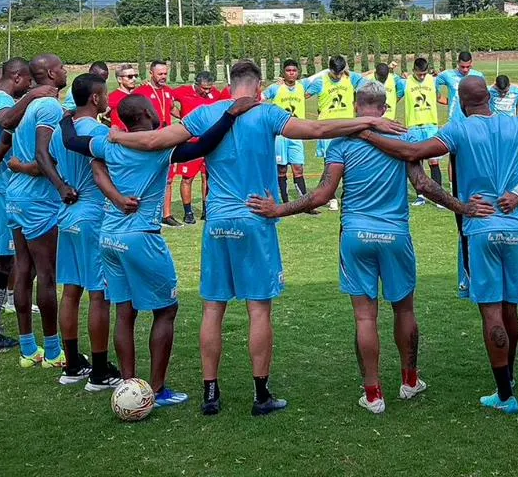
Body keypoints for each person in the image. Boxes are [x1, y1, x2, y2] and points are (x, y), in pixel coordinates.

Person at [108, 59, 406, 417]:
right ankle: (260, 395)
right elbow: (314, 129)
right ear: (259, 83)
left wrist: (117, 135)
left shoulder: (207, 113)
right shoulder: (268, 114)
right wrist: (369, 120)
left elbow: (156, 139)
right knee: (258, 308)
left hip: (217, 221)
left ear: (230, 84)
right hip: (255, 217)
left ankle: (211, 394)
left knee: (213, 308)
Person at [247, 81, 493, 414]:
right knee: (404, 310)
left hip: (355, 237)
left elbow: (323, 194)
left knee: (365, 318)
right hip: (395, 236)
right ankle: (409, 380)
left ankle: (374, 393)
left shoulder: (342, 142)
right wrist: (461, 207)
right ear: (385, 106)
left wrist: (279, 210)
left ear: (354, 103)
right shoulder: (403, 138)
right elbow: (423, 184)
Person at [60, 93, 259, 405]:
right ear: (145, 113)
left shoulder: (109, 142)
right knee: (165, 310)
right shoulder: (158, 148)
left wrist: (65, 116)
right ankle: (157, 388)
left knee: (124, 311)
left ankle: (128, 385)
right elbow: (203, 145)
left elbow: (72, 141)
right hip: (141, 237)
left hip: (109, 237)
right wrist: (229, 115)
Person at [355, 76, 518, 415]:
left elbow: (411, 152)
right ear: (492, 99)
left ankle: (505, 396)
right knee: (511, 308)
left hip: (479, 229)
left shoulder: (459, 130)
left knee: (492, 311)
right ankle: (508, 377)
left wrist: (366, 132)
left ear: (463, 104)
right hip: (515, 226)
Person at [0, 58, 56, 354]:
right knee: (2, 262)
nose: (30, 86)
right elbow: (6, 122)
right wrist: (31, 97)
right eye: (27, 81)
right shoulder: (2, 101)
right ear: (16, 77)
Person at [47, 74, 126, 389]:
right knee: (99, 295)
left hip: (65, 216)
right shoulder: (99, 133)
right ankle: (99, 370)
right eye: (105, 94)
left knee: (71, 290)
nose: (107, 98)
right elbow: (108, 171)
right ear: (96, 98)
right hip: (93, 216)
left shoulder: (57, 132)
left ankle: (71, 365)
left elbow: (51, 161)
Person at [5, 54, 71, 369]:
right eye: (60, 67)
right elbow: (43, 157)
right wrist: (61, 186)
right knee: (46, 275)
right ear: (49, 72)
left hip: (15, 197)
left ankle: (28, 349)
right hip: (38, 202)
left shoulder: (26, 107)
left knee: (24, 271)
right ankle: (54, 351)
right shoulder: (47, 107)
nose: (65, 70)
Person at [305, 55, 368, 210]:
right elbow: (303, 93)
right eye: (335, 73)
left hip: (347, 127)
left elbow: (366, 84)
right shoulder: (321, 81)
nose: (338, 76)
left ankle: (345, 195)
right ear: (330, 69)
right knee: (330, 164)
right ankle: (330, 197)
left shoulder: (351, 78)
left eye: (341, 72)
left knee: (349, 162)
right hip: (327, 129)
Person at [261, 59, 318, 212]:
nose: (291, 73)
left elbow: (322, 76)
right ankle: (285, 203)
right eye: (288, 71)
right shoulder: (275, 88)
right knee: (281, 169)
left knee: (298, 168)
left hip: (297, 134)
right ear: (283, 73)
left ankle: (305, 204)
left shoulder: (302, 86)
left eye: (294, 70)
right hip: (280, 135)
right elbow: (259, 98)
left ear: (298, 72)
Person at [135, 60, 181, 227]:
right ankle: (142, 211)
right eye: (160, 74)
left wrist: (186, 115)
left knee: (168, 177)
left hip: (167, 139)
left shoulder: (168, 91)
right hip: (150, 139)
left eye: (165, 74)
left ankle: (166, 214)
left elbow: (172, 109)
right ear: (151, 73)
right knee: (147, 176)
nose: (163, 77)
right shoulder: (142, 92)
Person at [173, 71, 221, 224]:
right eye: (204, 89)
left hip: (210, 142)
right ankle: (188, 212)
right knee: (188, 178)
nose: (207, 91)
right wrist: (181, 115)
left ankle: (207, 210)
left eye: (209, 88)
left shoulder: (215, 94)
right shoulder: (183, 91)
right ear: (196, 84)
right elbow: (167, 101)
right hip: (191, 143)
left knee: (208, 177)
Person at [403, 58, 444, 207]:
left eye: (424, 74)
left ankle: (438, 198)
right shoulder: (406, 82)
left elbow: (441, 93)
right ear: (413, 70)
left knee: (434, 161)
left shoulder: (432, 80)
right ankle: (421, 196)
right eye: (419, 74)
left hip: (431, 125)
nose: (422, 77)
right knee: (416, 163)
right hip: (413, 126)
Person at [436, 51, 485, 122]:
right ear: (458, 63)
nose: (465, 69)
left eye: (468, 67)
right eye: (462, 67)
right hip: (454, 119)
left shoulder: (478, 76)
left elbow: (484, 96)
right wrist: (441, 99)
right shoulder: (447, 75)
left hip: (473, 119)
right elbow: (432, 84)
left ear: (471, 63)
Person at [108, 64, 138, 130]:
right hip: (120, 137)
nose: (134, 79)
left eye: (135, 76)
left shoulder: (137, 95)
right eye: (130, 76)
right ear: (119, 79)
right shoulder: (112, 98)